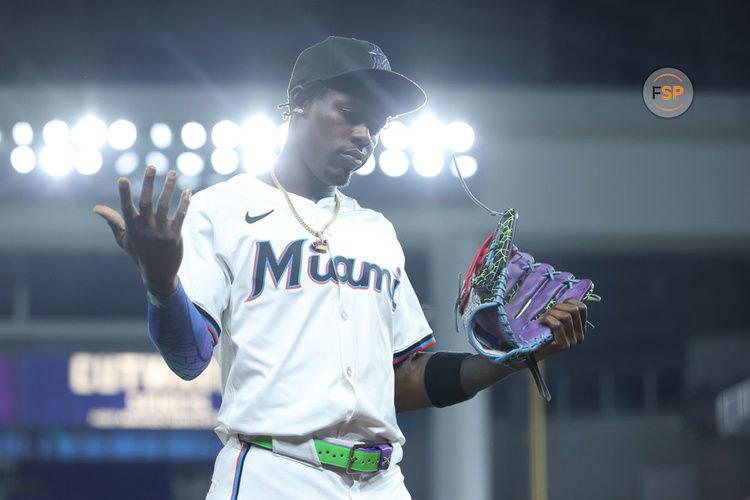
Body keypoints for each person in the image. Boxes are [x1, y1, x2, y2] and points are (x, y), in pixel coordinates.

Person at [94, 36, 587, 499]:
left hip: (382, 480)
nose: (365, 135)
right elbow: (188, 360)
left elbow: (403, 377)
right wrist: (162, 283)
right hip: (276, 472)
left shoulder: (376, 231)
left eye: (377, 124)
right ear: (300, 99)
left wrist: (509, 361)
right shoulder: (219, 208)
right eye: (350, 113)